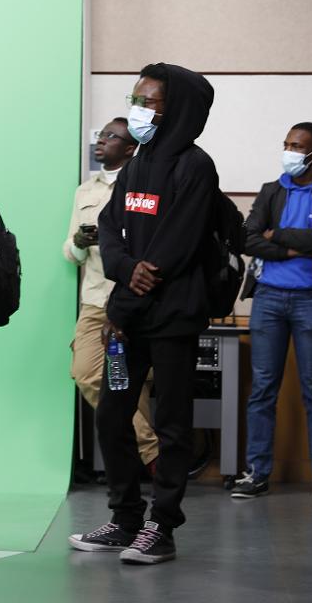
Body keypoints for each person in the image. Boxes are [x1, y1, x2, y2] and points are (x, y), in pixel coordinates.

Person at [69, 62, 218, 565]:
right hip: (126, 320)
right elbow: (111, 229)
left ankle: (162, 526)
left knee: (172, 424)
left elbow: (176, 245)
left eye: (147, 101)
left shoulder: (195, 167)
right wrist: (124, 277)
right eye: (134, 99)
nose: (137, 109)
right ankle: (125, 518)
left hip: (173, 318)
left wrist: (130, 286)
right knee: (113, 415)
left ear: (175, 109)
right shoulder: (137, 165)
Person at [231, 122, 312, 503]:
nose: (289, 152)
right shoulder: (272, 190)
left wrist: (276, 233)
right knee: (263, 388)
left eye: (297, 146)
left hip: (311, 301)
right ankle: (257, 473)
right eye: (287, 144)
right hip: (268, 298)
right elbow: (247, 238)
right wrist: (290, 249)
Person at [64, 118, 158, 477]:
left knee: (134, 382)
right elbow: (70, 252)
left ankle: (136, 471)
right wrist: (79, 242)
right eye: (100, 135)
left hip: (133, 298)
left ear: (130, 148)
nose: (101, 141)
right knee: (86, 373)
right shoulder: (85, 191)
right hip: (94, 300)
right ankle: (153, 454)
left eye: (110, 137)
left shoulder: (142, 187)